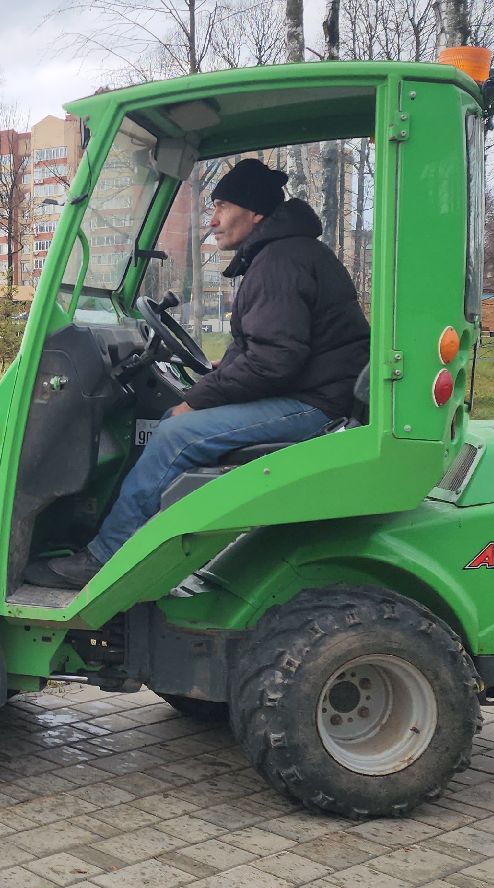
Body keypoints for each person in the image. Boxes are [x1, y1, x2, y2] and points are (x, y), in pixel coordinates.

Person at [26, 158, 371, 589]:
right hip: (320, 392)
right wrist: (215, 374)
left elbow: (274, 360)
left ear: (255, 212)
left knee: (174, 432)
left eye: (222, 206)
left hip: (315, 405)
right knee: (181, 416)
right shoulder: (282, 253)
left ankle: (104, 557)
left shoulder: (279, 262)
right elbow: (266, 349)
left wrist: (199, 397)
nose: (213, 220)